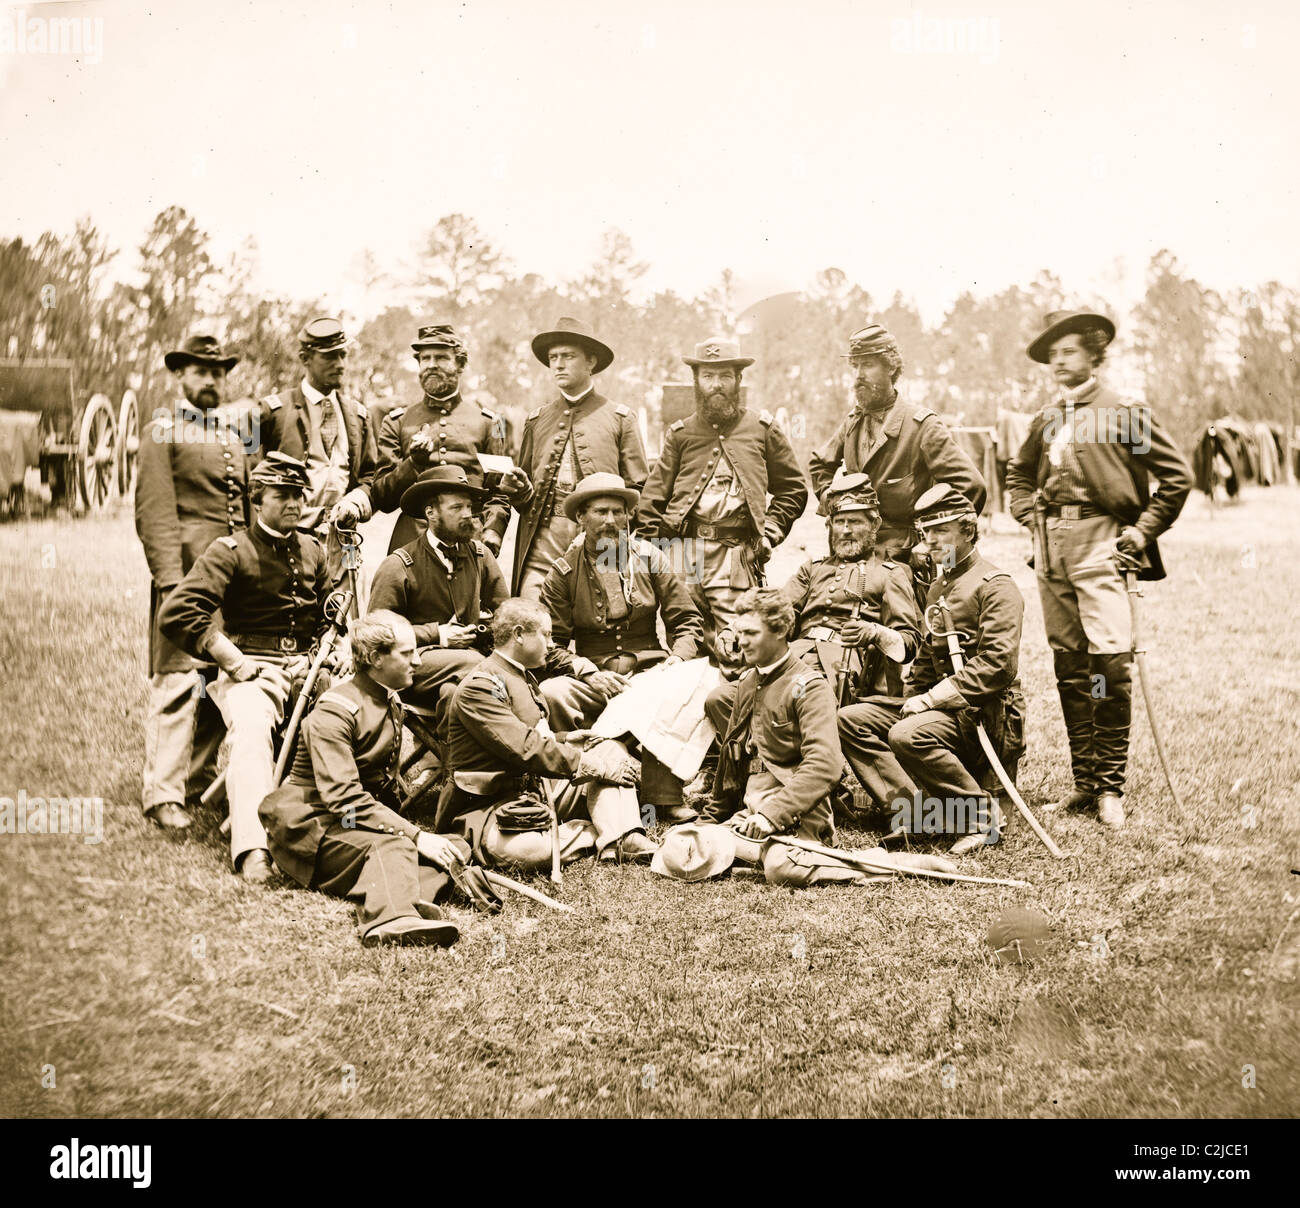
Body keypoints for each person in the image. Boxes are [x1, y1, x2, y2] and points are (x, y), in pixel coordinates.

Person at [1006, 309, 1193, 829]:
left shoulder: (1124, 413)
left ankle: (1111, 787)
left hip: (1104, 544)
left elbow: (1177, 478)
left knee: (1109, 665)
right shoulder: (1046, 417)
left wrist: (1141, 531)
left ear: (1093, 352)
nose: (1058, 361)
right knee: (1070, 664)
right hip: (1051, 549)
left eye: (1068, 351)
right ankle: (1084, 783)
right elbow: (1018, 474)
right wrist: (1028, 517)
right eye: (1053, 355)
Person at [159, 454, 331, 881]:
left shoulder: (313, 548)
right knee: (253, 729)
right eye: (282, 496)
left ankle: (336, 830)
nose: (293, 503)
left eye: (298, 495)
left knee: (356, 715)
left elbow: (331, 607)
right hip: (253, 668)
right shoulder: (230, 550)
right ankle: (253, 848)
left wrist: (335, 639)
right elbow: (178, 611)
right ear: (257, 499)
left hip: (311, 668)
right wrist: (232, 660)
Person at [836, 484, 1025, 855]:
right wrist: (912, 696)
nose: (931, 541)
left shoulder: (995, 585)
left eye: (942, 531)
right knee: (851, 719)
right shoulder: (939, 585)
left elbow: (998, 665)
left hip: (983, 711)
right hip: (943, 709)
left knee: (907, 734)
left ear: (968, 532)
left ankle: (981, 817)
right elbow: (926, 656)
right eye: (926, 533)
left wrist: (928, 701)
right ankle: (919, 812)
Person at [258, 611, 466, 947]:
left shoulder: (388, 699)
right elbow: (344, 800)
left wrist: (420, 839)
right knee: (397, 845)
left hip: (349, 825)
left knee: (455, 847)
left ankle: (398, 892)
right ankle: (390, 919)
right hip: (313, 828)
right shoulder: (335, 710)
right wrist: (414, 836)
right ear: (374, 658)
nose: (417, 661)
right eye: (407, 653)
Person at [539, 472, 710, 822]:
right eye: (600, 512)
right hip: (591, 677)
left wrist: (675, 660)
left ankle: (661, 797)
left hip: (650, 672)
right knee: (553, 692)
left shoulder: (651, 558)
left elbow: (688, 622)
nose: (611, 521)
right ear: (580, 518)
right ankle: (573, 790)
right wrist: (586, 671)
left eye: (619, 512)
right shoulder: (562, 572)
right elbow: (548, 645)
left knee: (679, 686)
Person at [442, 598, 658, 864]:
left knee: (610, 750)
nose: (552, 644)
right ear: (519, 635)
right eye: (545, 635)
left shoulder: (520, 674)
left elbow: (528, 736)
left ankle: (622, 837)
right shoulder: (481, 685)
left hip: (537, 789)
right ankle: (590, 830)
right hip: (490, 803)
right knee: (528, 850)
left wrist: (565, 738)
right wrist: (591, 764)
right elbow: (524, 747)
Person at [135, 335, 250, 832]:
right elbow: (154, 512)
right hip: (185, 578)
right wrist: (170, 583)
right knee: (179, 681)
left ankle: (198, 781)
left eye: (218, 372)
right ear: (179, 375)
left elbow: (241, 512)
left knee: (214, 680)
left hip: (227, 580)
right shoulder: (162, 430)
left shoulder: (230, 436)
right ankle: (162, 792)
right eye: (201, 371)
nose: (211, 380)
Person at [636, 339, 808, 661]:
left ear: (738, 380)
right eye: (708, 377)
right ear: (696, 381)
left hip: (735, 554)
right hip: (683, 554)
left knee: (737, 649)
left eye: (725, 377)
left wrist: (769, 531)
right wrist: (651, 552)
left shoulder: (763, 429)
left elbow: (793, 489)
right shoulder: (680, 434)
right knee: (687, 643)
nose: (716, 385)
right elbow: (652, 500)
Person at [807, 323, 986, 602]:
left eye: (867, 365)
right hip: (853, 555)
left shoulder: (922, 426)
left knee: (905, 636)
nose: (858, 376)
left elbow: (971, 486)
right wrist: (836, 502)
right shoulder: (853, 423)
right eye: (855, 367)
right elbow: (820, 464)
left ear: (891, 368)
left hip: (905, 561)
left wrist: (931, 540)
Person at [511, 317, 647, 598]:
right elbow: (523, 493)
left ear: (590, 362)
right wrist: (518, 489)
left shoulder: (620, 418)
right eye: (553, 357)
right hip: (543, 543)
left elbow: (639, 490)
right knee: (532, 621)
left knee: (604, 624)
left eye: (568, 356)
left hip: (603, 543)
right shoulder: (536, 421)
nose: (558, 364)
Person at [700, 589, 842, 847]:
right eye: (740, 633)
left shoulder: (810, 686)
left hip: (800, 816)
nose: (741, 642)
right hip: (751, 813)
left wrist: (772, 815)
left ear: (780, 631)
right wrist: (707, 824)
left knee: (779, 866)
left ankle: (870, 863)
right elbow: (728, 763)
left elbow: (825, 765)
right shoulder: (746, 682)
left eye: (751, 633)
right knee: (684, 846)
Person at [367, 466, 508, 718]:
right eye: (456, 508)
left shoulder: (480, 555)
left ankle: (454, 755)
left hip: (465, 669)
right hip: (413, 667)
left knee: (454, 694)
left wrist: (485, 629)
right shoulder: (399, 564)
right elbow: (375, 635)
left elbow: (505, 615)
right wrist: (437, 635)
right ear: (431, 512)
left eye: (469, 507)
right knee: (481, 669)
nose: (468, 515)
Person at [372, 323, 517, 554]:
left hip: (469, 540)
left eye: (441, 358)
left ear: (460, 364)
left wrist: (492, 531)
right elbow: (382, 498)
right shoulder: (396, 422)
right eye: (425, 358)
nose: (431, 365)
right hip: (412, 544)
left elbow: (498, 491)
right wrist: (412, 464)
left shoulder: (491, 423)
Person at [780, 477, 920, 699]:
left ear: (874, 525)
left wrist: (874, 632)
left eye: (854, 522)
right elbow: (778, 611)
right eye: (839, 522)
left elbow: (909, 642)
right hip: (794, 655)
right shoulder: (813, 569)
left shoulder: (890, 573)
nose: (845, 530)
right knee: (722, 698)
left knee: (801, 695)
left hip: (843, 664)